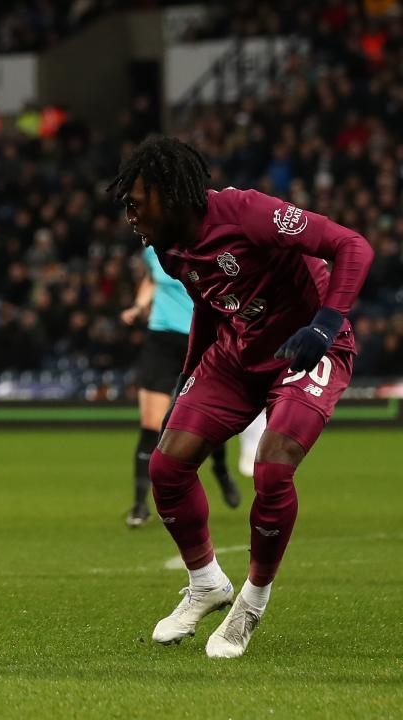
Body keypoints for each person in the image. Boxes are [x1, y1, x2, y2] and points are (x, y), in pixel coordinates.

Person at [108, 136, 373, 658]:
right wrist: (190, 374)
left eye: (137, 201)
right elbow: (210, 303)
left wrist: (324, 325)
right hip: (239, 352)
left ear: (166, 193)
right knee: (167, 465)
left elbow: (353, 246)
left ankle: (250, 603)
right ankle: (206, 583)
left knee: (273, 470)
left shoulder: (247, 212)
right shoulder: (167, 244)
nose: (130, 213)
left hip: (308, 348)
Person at [120, 247, 240, 528]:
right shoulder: (153, 248)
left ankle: (220, 470)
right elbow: (152, 279)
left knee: (207, 422)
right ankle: (140, 504)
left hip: (200, 338)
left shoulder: (206, 244)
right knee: (151, 424)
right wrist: (139, 306)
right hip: (160, 338)